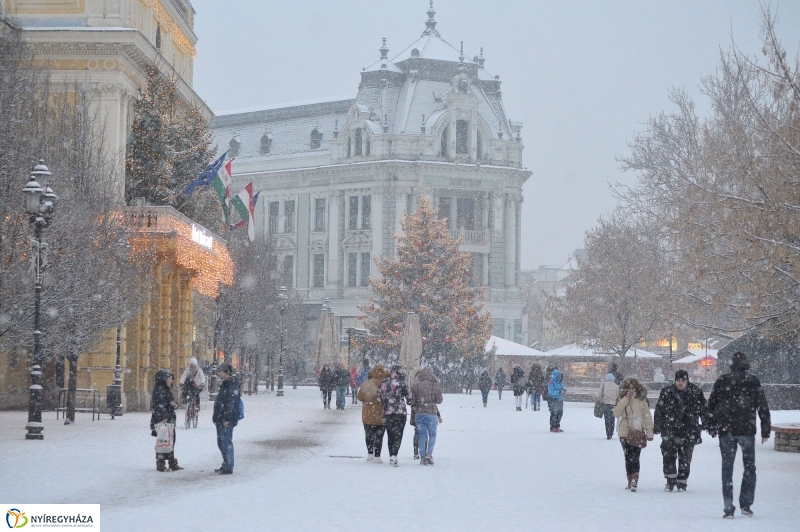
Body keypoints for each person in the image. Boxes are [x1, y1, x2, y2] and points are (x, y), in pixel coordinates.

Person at [705, 352, 771, 519]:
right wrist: (765, 429)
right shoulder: (752, 380)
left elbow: (711, 404)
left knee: (727, 468)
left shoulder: (722, 380)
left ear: (731, 365)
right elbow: (762, 405)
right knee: (749, 467)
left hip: (726, 429)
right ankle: (746, 504)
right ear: (746, 364)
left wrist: (712, 426)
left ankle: (728, 508)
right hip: (746, 428)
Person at [653, 369, 706, 492]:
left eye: (683, 380)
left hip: (689, 429)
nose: (680, 383)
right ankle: (670, 480)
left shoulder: (696, 392)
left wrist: (707, 424)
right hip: (670, 429)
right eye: (678, 380)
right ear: (675, 381)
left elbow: (704, 410)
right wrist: (657, 426)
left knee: (685, 458)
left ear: (687, 380)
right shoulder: (667, 392)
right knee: (668, 456)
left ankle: (682, 481)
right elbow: (659, 410)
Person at [613, 377, 654, 491]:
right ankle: (630, 480)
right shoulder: (621, 399)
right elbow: (616, 413)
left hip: (637, 432)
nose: (630, 390)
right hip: (624, 432)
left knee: (635, 457)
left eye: (633, 388)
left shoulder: (641, 400)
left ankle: (635, 479)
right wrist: (625, 399)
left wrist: (649, 432)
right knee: (627, 457)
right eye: (628, 388)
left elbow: (647, 417)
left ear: (637, 388)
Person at [377, 365, 413, 467]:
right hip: (400, 413)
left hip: (387, 413)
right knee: (398, 434)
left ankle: (391, 454)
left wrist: (387, 400)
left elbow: (379, 398)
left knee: (390, 434)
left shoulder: (384, 383)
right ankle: (394, 454)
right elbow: (410, 398)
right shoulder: (403, 384)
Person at [150, 369, 183, 472]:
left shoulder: (165, 389)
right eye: (169, 379)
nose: (171, 381)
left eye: (172, 379)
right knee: (163, 441)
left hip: (168, 418)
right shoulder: (160, 389)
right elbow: (159, 405)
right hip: (164, 419)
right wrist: (164, 416)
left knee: (169, 441)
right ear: (163, 379)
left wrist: (174, 404)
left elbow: (169, 401)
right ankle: (161, 463)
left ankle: (171, 462)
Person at [411, 365, 444, 465]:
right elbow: (439, 400)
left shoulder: (415, 384)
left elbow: (412, 400)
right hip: (431, 413)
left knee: (422, 435)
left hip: (419, 413)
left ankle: (422, 457)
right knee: (432, 435)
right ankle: (429, 454)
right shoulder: (435, 384)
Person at [356, 364, 388, 463]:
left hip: (368, 412)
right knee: (379, 435)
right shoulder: (386, 384)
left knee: (368, 434)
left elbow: (360, 397)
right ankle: (377, 456)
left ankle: (370, 454)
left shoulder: (366, 383)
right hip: (381, 413)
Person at [212, 363, 240, 475]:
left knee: (225, 441)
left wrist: (227, 418)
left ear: (226, 372)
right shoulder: (226, 384)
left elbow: (231, 403)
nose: (218, 373)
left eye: (220, 371)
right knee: (221, 442)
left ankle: (228, 466)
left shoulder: (231, 385)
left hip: (225, 419)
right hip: (221, 417)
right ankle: (226, 464)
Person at [596, 373, 619, 439]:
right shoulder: (616, 386)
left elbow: (599, 395)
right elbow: (618, 396)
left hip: (605, 404)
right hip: (613, 405)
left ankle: (608, 433)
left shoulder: (603, 385)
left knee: (607, 420)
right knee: (612, 419)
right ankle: (611, 432)